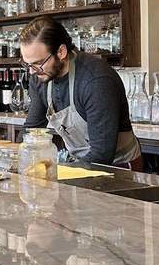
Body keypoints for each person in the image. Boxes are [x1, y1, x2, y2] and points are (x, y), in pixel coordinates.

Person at [19, 16, 141, 168]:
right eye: (27, 64)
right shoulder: (40, 77)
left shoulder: (96, 80)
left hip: (119, 168)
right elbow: (32, 130)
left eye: (38, 63)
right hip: (82, 165)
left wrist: (61, 174)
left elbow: (101, 154)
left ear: (61, 52)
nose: (31, 71)